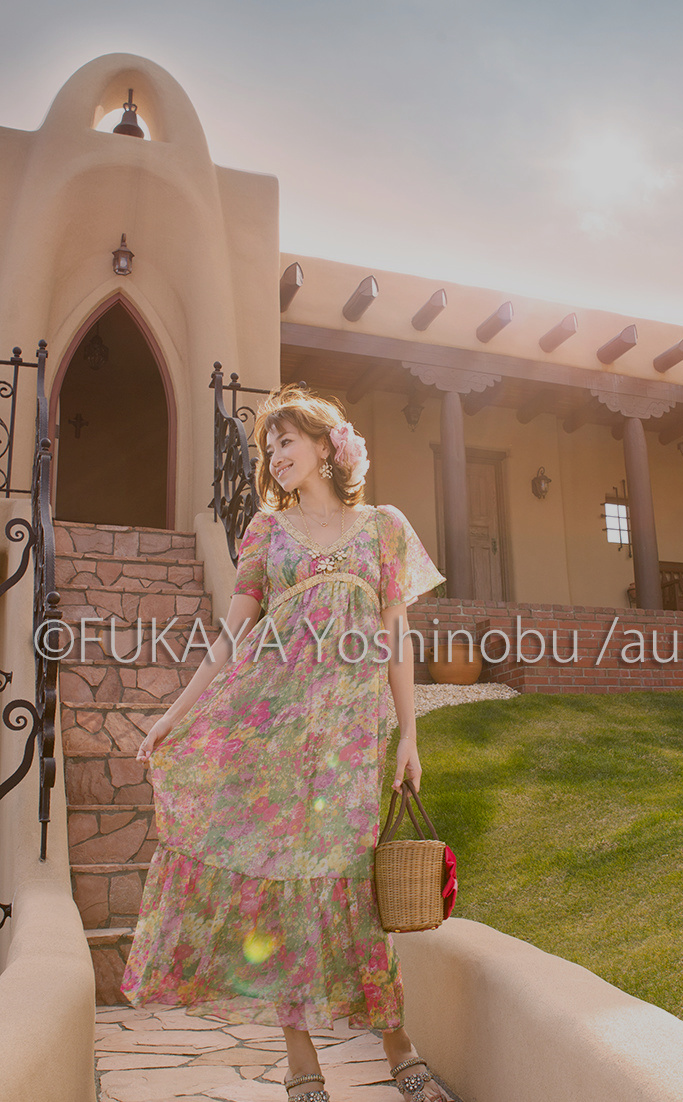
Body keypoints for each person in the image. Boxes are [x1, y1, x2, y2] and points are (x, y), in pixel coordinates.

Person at [121, 383, 450, 1102]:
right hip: (271, 736)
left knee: (356, 890)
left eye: (286, 440)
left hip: (349, 741)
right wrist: (175, 714)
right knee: (278, 894)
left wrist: (408, 735)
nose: (273, 455)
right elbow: (232, 637)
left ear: (327, 445)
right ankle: (302, 1062)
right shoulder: (266, 533)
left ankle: (398, 1044)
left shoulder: (383, 527)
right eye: (267, 447)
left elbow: (397, 637)